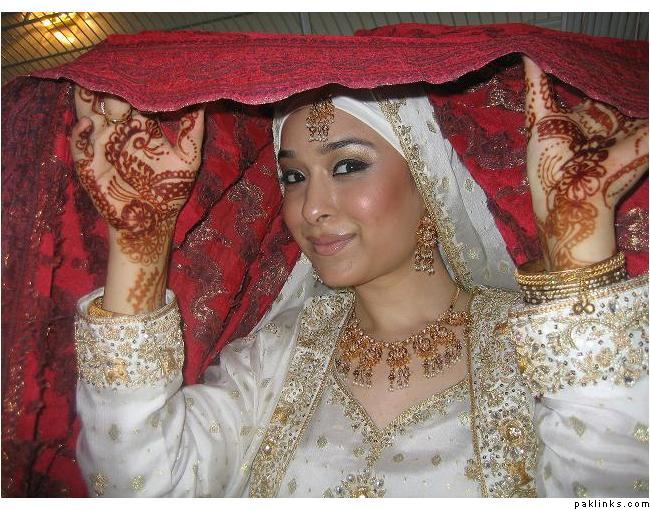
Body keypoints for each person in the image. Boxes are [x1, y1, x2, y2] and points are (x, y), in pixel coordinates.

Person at [68, 48, 649, 498]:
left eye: (347, 166)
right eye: (293, 177)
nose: (311, 209)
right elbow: (142, 485)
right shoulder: (274, 361)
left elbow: (617, 488)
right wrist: (139, 246)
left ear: (426, 177)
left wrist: (579, 242)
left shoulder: (540, 346)